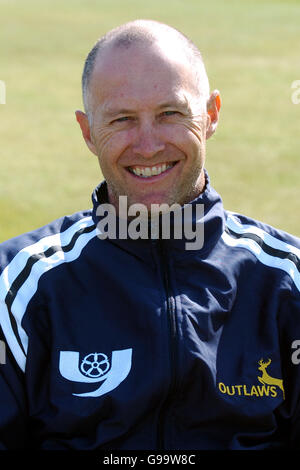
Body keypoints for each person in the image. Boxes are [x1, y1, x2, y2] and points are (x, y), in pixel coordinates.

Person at [0, 18, 299, 451]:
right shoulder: (16, 287)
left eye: (169, 114)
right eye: (122, 119)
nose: (147, 145)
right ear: (87, 132)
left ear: (211, 115)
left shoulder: (284, 280)